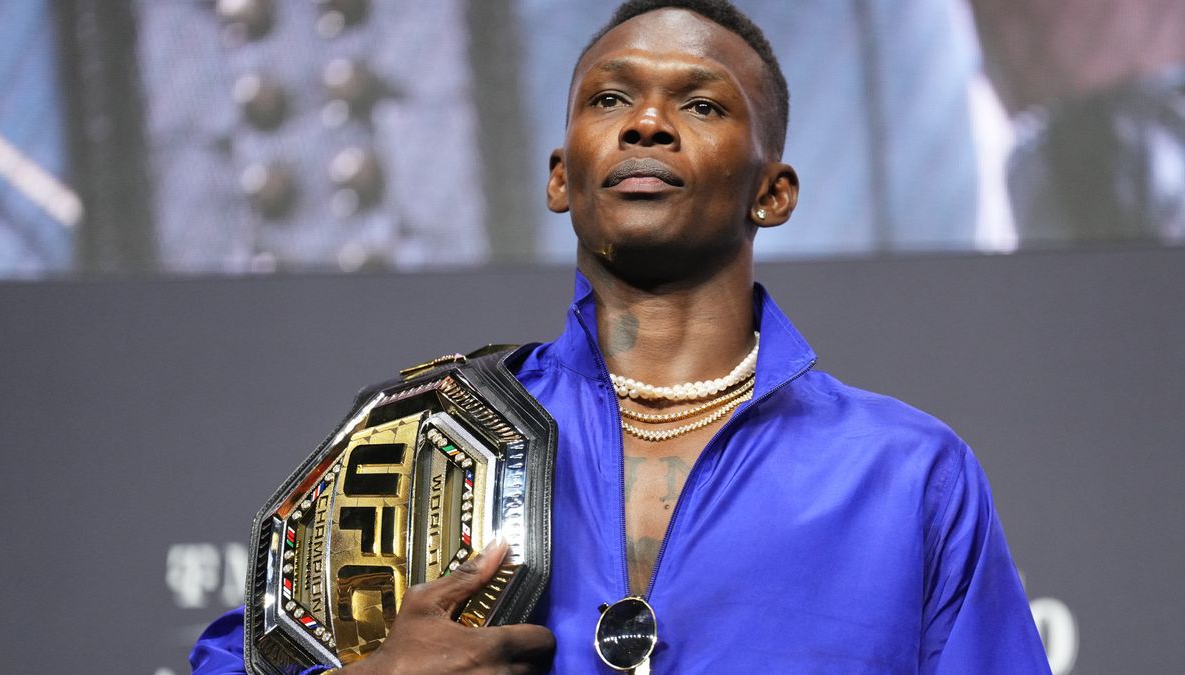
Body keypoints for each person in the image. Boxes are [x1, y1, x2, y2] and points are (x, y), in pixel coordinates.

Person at [192, 1, 1051, 672]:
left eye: (703, 102)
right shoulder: (419, 436)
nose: (646, 122)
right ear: (562, 176)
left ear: (774, 192)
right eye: (610, 98)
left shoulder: (907, 475)